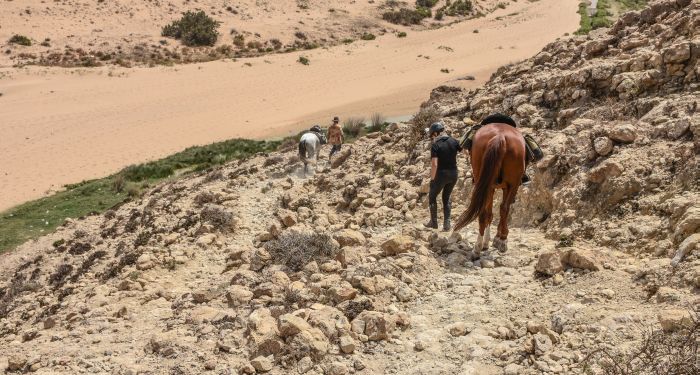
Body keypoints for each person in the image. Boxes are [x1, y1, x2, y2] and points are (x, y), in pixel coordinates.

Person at [460, 113, 543, 185]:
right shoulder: (511, 126)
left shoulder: (484, 127)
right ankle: (523, 174)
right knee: (522, 143)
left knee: (473, 146)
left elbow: (463, 145)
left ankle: (476, 173)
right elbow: (539, 156)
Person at [425, 121, 461, 231]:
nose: (432, 138)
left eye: (432, 135)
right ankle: (447, 224)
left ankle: (434, 222)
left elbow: (434, 164)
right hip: (453, 174)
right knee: (447, 197)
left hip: (441, 175)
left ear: (435, 133)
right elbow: (464, 151)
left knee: (432, 196)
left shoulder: (436, 145)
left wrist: (432, 179)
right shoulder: (454, 141)